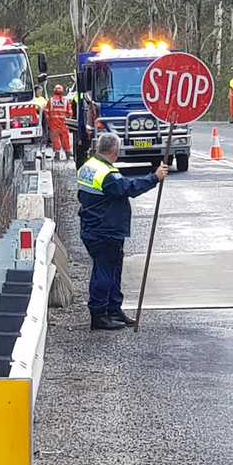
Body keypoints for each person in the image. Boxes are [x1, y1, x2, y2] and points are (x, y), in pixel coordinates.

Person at [77, 133, 167, 331]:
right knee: (105, 271)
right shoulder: (107, 174)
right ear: (115, 152)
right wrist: (155, 177)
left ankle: (113, 309)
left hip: (95, 226)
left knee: (112, 268)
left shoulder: (89, 166)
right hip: (104, 230)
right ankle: (99, 315)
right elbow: (128, 188)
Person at [47, 84, 73, 161]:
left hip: (54, 124)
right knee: (66, 139)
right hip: (64, 124)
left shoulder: (51, 100)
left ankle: (57, 156)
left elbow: (46, 112)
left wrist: (49, 123)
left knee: (55, 140)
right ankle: (68, 156)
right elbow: (70, 113)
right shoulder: (66, 101)